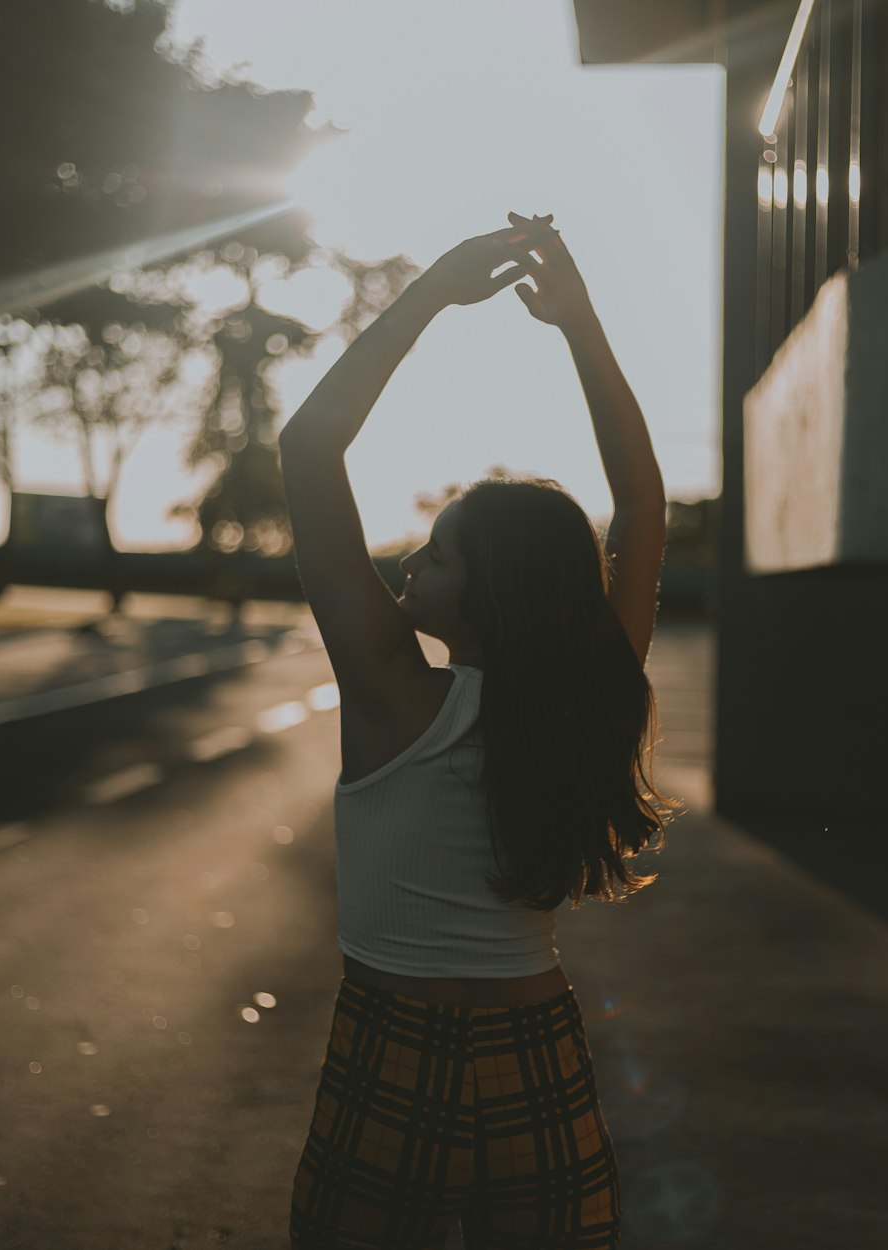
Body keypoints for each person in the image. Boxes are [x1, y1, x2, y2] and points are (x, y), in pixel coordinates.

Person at [279, 211, 682, 1249]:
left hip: (391, 1052)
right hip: (535, 1053)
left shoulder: (390, 695)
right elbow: (640, 503)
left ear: (491, 591)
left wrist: (427, 293)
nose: (414, 557)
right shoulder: (588, 693)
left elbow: (309, 444)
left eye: (441, 551)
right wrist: (579, 326)